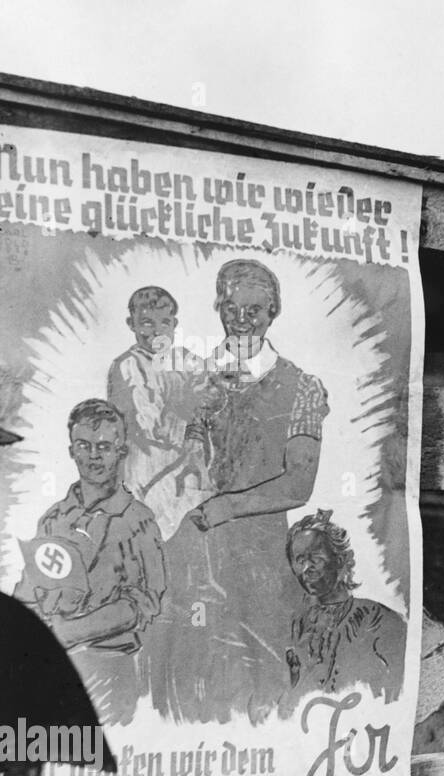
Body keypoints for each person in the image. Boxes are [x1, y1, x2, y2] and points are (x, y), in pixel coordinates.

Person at [153, 259, 329, 723]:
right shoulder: (194, 379)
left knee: (264, 673)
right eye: (233, 309)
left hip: (263, 556)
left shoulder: (301, 387)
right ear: (218, 309)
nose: (244, 320)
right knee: (187, 661)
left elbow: (299, 483)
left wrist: (227, 507)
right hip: (195, 548)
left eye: (256, 310)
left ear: (274, 311)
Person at [13, 399, 165, 724]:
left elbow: (143, 602)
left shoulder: (138, 520)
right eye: (84, 445)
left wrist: (70, 632)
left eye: (104, 447)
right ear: (71, 451)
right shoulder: (53, 519)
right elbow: (28, 594)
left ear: (121, 452)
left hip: (109, 666)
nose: (93, 456)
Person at [106, 285, 209, 539]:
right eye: (147, 323)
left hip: (186, 458)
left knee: (194, 521)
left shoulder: (187, 360)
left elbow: (207, 397)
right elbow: (144, 421)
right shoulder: (129, 365)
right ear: (132, 324)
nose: (157, 331)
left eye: (165, 322)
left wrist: (196, 424)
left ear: (175, 324)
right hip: (145, 462)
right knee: (151, 528)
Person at [281, 509, 407, 710]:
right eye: (300, 560)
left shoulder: (377, 618)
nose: (307, 568)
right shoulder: (296, 625)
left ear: (339, 560)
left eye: (315, 558)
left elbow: (397, 692)